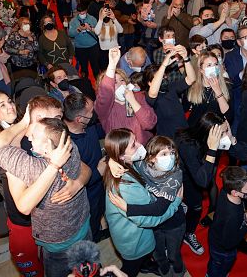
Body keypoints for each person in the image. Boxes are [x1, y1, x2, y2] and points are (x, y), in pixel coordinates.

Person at [0, 108, 91, 277]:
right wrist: (78, 182)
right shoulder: (71, 147)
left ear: (47, 146)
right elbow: (87, 169)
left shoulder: (32, 168)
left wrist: (24, 122)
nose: (29, 136)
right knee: (87, 271)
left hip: (58, 247)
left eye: (35, 135)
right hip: (84, 228)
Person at [103, 128, 182, 277]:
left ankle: (146, 266)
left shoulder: (124, 164)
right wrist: (175, 202)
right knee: (130, 269)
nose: (140, 145)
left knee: (142, 260)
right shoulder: (126, 186)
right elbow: (149, 219)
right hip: (134, 241)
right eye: (133, 145)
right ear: (121, 155)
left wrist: (111, 160)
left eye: (136, 140)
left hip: (134, 236)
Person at [175, 112, 235, 255]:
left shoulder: (216, 141)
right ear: (209, 134)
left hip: (200, 172)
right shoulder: (188, 145)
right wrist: (213, 150)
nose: (226, 135)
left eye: (227, 130)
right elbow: (202, 182)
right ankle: (188, 233)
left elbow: (245, 155)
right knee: (196, 207)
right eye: (223, 132)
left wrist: (232, 139)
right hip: (184, 178)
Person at [63, 93, 108, 243]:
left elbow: (103, 129)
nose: (93, 114)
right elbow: (71, 181)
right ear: (79, 119)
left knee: (99, 212)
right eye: (90, 112)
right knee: (91, 223)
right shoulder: (67, 146)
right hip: (87, 197)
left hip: (100, 188)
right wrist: (98, 172)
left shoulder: (88, 126)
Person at [95, 47, 157, 145]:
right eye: (114, 82)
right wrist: (112, 65)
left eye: (122, 80)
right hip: (122, 154)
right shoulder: (105, 108)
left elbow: (149, 124)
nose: (120, 84)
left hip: (144, 148)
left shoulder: (139, 96)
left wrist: (133, 101)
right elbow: (105, 94)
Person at [206, 166, 247, 277]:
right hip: (223, 250)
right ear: (235, 192)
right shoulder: (232, 216)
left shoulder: (225, 191)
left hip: (216, 235)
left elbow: (238, 209)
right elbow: (229, 243)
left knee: (215, 263)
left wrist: (245, 216)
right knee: (219, 267)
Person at [146, 46, 196, 138]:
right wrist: (164, 65)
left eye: (164, 76)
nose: (163, 78)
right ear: (149, 83)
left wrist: (186, 58)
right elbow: (153, 94)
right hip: (167, 139)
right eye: (160, 77)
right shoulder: (150, 96)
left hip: (184, 134)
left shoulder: (170, 87)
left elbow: (191, 79)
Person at [183, 50, 231, 127]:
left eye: (215, 64)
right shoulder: (192, 86)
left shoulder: (227, 84)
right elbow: (183, 110)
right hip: (195, 130)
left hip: (217, 131)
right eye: (209, 65)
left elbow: (228, 115)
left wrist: (217, 90)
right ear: (201, 69)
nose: (213, 68)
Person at [224, 26, 247, 134]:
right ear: (239, 42)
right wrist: (242, 74)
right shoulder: (231, 57)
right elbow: (231, 83)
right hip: (238, 101)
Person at [68, 4, 100, 79]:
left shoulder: (92, 19)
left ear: (86, 10)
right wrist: (79, 29)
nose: (82, 14)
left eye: (83, 12)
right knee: (83, 68)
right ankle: (85, 83)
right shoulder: (73, 21)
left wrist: (90, 28)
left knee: (95, 66)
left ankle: (98, 82)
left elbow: (98, 32)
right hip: (80, 48)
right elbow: (70, 34)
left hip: (93, 46)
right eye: (80, 13)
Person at [94, 6, 123, 71]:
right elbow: (96, 32)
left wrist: (114, 18)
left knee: (116, 72)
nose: (106, 15)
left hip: (114, 52)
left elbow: (121, 30)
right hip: (103, 54)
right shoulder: (99, 25)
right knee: (105, 73)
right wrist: (101, 19)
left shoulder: (114, 25)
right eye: (104, 13)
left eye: (107, 13)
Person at [0, 25, 11, 95]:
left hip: (2, 79)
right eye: (2, 39)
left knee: (7, 95)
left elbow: (4, 60)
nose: (4, 41)